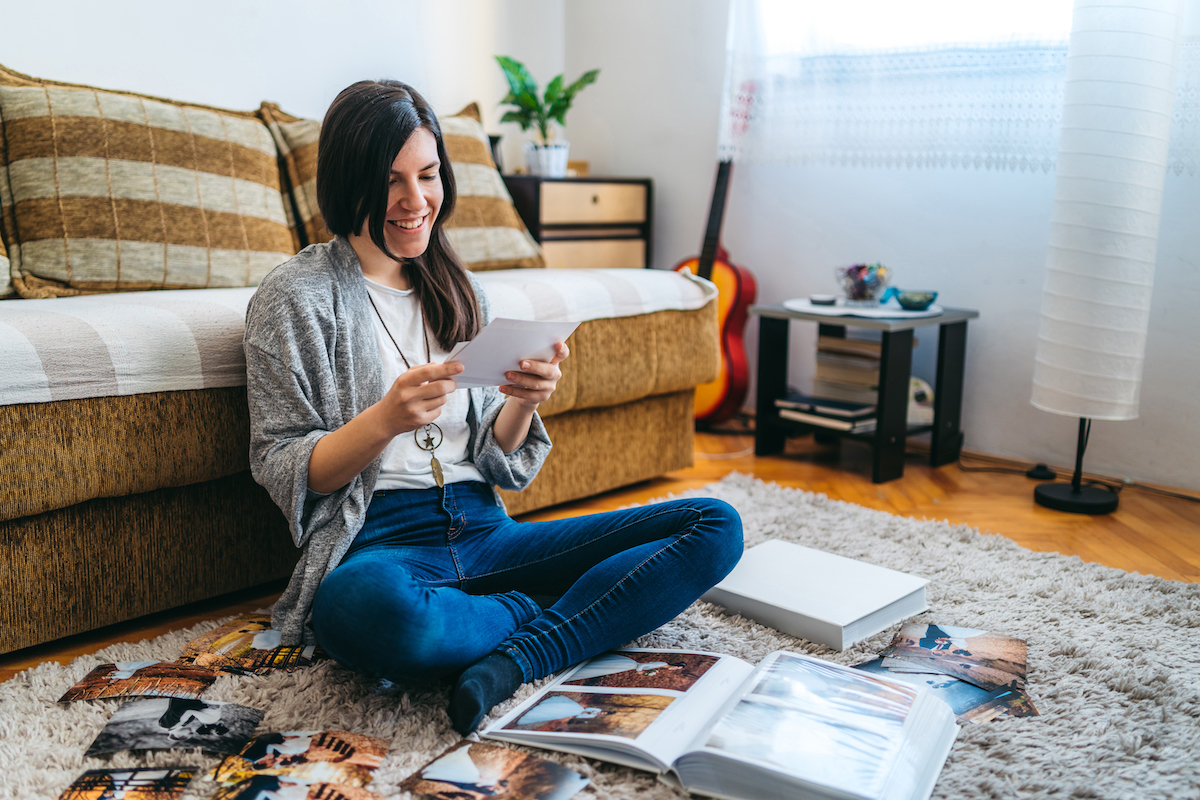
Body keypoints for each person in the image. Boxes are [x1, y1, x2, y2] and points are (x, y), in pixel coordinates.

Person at [243, 78, 743, 735]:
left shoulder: (458, 289)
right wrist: (383, 420)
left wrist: (518, 403)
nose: (415, 201)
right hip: (383, 544)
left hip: (487, 534)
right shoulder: (296, 297)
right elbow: (282, 465)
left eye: (429, 174)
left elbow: (494, 455)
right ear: (346, 180)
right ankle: (552, 608)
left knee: (715, 524)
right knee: (360, 614)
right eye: (390, 179)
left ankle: (514, 659)